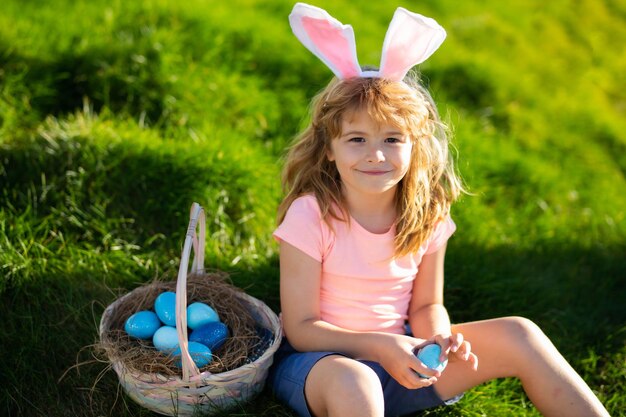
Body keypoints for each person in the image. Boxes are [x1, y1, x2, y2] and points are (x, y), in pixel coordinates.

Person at [267, 3, 611, 417]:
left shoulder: (425, 214)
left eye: (393, 139)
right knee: (355, 382)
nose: (376, 154)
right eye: (356, 139)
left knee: (520, 333)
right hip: (323, 366)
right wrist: (381, 346)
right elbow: (302, 330)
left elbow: (427, 305)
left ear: (415, 147)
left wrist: (438, 339)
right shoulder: (311, 215)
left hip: (406, 360)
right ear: (328, 150)